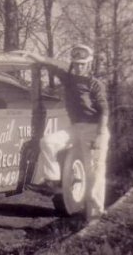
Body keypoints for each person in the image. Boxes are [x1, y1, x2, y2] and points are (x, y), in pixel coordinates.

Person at [26, 44, 110, 221]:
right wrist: (31, 54)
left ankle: (96, 215)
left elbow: (104, 111)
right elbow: (52, 65)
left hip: (94, 130)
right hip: (76, 128)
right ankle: (53, 181)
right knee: (48, 142)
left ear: (88, 64)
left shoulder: (95, 84)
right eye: (76, 63)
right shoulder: (69, 79)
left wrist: (100, 134)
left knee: (94, 172)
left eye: (82, 63)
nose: (79, 66)